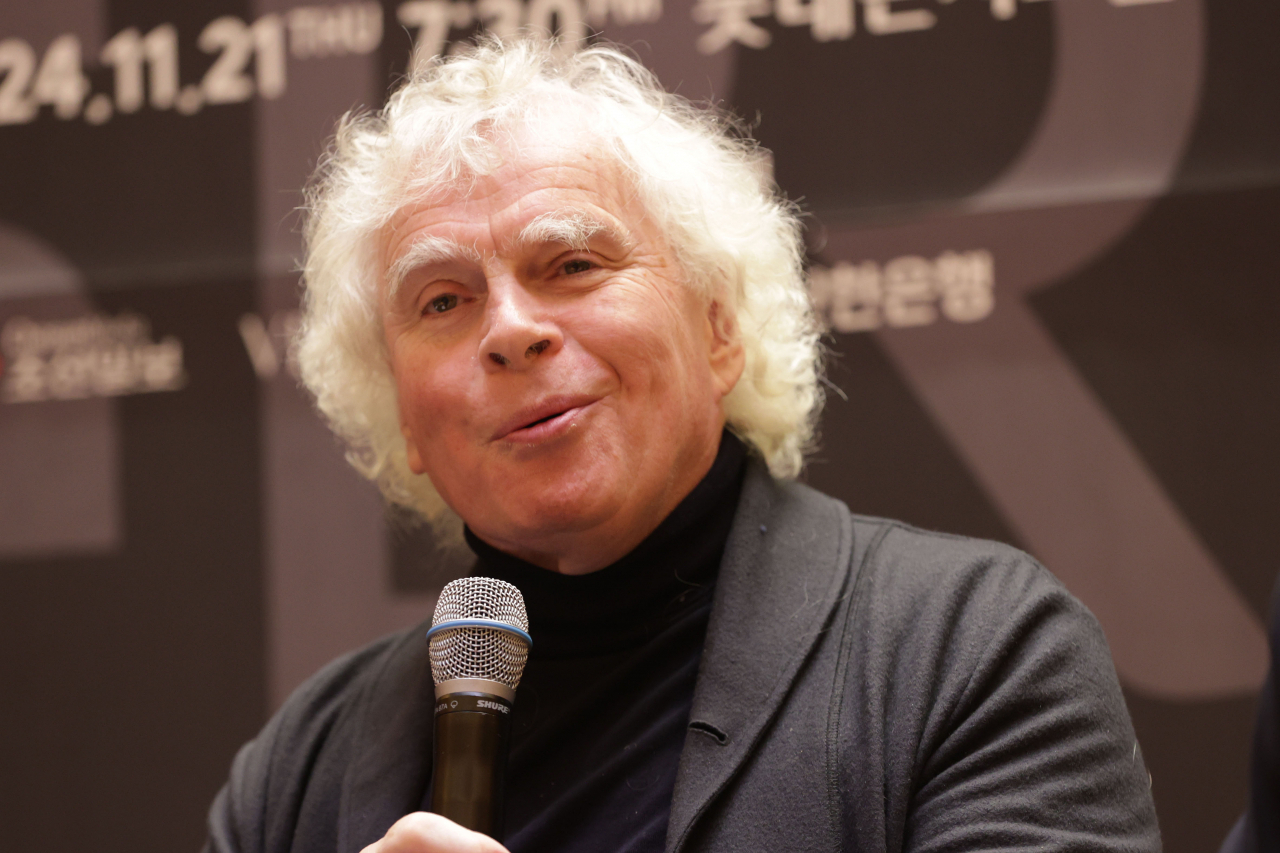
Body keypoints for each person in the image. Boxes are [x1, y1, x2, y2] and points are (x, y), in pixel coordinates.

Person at [205, 37, 1160, 853]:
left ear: (718, 329)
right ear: (403, 418)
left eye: (573, 263)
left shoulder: (975, 654)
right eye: (442, 301)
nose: (510, 329)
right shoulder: (296, 777)